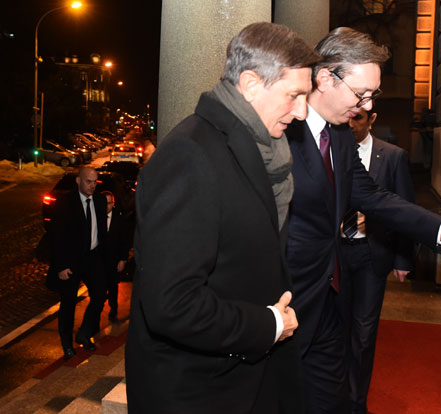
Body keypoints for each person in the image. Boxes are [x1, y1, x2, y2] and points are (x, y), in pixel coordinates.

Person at [284, 27, 441, 413]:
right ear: (324, 78)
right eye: (362, 93)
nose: (368, 105)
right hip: (287, 298)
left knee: (330, 395)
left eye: (372, 95)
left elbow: (371, 195)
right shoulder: (282, 129)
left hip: (329, 297)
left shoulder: (339, 134)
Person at [125, 22, 321, 414]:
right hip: (198, 392)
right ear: (250, 84)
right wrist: (268, 326)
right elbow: (172, 304)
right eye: (294, 96)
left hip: (249, 377)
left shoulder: (264, 151)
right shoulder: (190, 156)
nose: (302, 113)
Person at [339, 108, 415, 413]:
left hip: (372, 254)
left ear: (372, 119)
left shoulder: (393, 156)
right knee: (334, 330)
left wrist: (403, 258)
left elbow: (403, 208)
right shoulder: (329, 149)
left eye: (358, 117)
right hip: (333, 255)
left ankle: (357, 404)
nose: (350, 123)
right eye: (348, 116)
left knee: (363, 333)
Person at [46, 166, 107, 359]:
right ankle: (66, 344)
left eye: (95, 182)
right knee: (68, 303)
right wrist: (61, 266)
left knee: (99, 295)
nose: (92, 186)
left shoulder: (99, 200)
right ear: (78, 181)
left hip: (93, 257)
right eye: (88, 181)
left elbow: (102, 232)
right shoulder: (65, 203)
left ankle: (84, 333)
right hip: (71, 261)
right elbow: (56, 236)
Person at [100, 191, 130, 322]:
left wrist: (123, 259)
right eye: (103, 203)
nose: (106, 206)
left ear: (113, 203)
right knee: (99, 288)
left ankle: (113, 308)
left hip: (113, 260)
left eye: (108, 203)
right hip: (99, 261)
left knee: (112, 286)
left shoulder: (120, 219)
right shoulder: (95, 217)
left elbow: (125, 241)